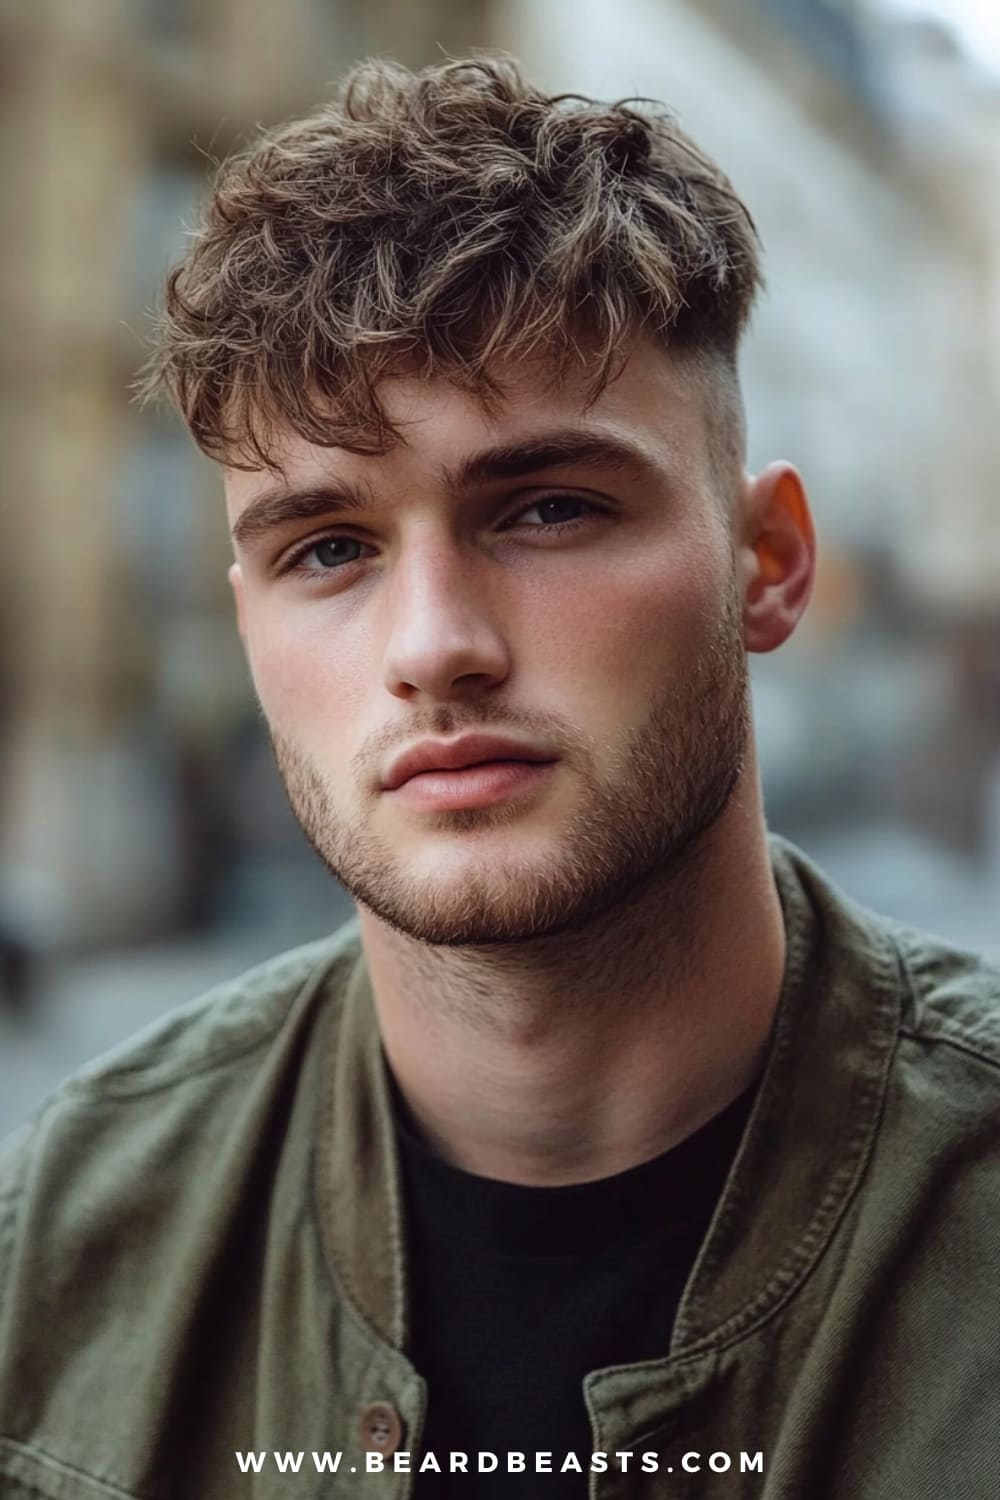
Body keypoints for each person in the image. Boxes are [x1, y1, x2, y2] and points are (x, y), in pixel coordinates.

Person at [0, 54, 997, 1500]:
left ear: (766, 562)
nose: (435, 649)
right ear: (247, 619)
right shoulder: (66, 1243)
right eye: (327, 548)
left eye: (547, 508)